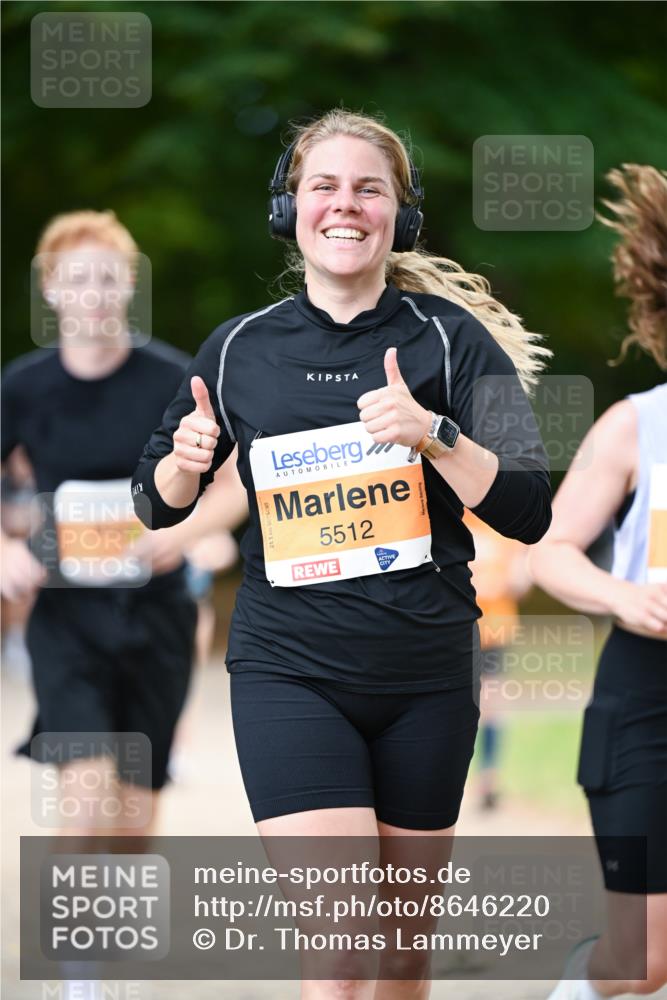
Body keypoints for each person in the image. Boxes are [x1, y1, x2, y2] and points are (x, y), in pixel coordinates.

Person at [132, 108, 552, 998]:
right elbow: (155, 502)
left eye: (370, 189)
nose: (346, 205)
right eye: (324, 186)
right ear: (290, 208)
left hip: (425, 676)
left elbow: (529, 510)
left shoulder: (451, 341)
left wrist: (434, 434)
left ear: (401, 212)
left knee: (400, 958)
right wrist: (183, 463)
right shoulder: (239, 348)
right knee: (341, 952)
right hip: (291, 672)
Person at [1, 209, 245, 845]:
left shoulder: (174, 379)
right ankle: (76, 916)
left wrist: (179, 536)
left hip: (156, 618)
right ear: (51, 288)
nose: (95, 294)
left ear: (130, 285)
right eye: (78, 279)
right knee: (84, 806)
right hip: (66, 621)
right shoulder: (23, 387)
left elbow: (236, 483)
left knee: (133, 827)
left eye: (109, 279)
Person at [530, 165, 667, 999]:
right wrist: (624, 596)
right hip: (647, 698)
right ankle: (585, 979)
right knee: (647, 959)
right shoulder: (635, 425)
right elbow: (549, 551)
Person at [462, 508, 531, 810]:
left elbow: (520, 581)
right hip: (455, 631)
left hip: (494, 631)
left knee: (490, 704)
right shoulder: (452, 519)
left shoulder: (505, 524)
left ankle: (488, 780)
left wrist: (512, 577)